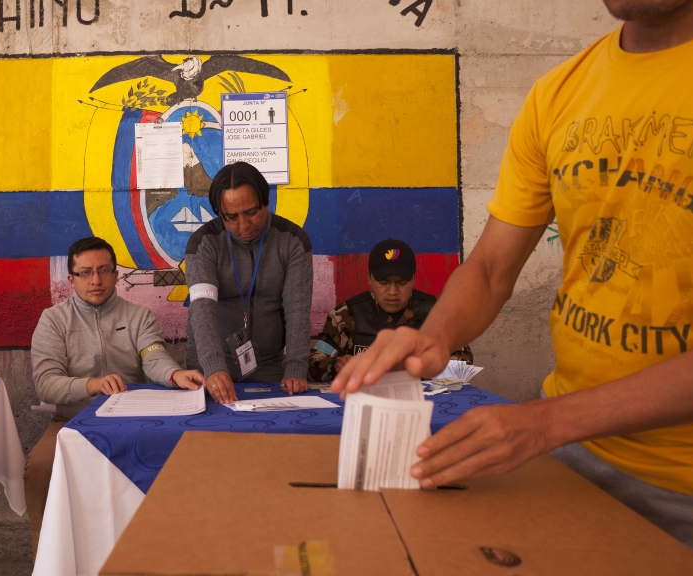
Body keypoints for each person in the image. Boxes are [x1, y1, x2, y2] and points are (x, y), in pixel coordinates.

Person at [332, 0, 693, 567]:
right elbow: (491, 266)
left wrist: (546, 422)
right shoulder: (559, 93)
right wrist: (435, 335)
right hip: (567, 460)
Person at [24, 236, 204, 556]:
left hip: (134, 419)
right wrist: (92, 385)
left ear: (116, 274)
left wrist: (174, 374)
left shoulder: (138, 316)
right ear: (71, 279)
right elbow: (47, 384)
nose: (96, 280)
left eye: (105, 270)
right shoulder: (53, 321)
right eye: (85, 272)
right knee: (40, 466)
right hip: (73, 419)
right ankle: (48, 558)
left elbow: (154, 356)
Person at [185, 161, 314, 404]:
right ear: (219, 213)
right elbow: (202, 310)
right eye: (231, 217)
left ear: (266, 201)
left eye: (252, 212)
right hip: (210, 362)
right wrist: (213, 366)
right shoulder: (203, 245)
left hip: (269, 362)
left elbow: (298, 311)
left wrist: (296, 368)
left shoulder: (293, 241)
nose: (244, 226)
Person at [308, 239, 472, 382]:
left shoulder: (435, 313)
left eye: (401, 283)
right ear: (369, 278)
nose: (393, 291)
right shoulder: (345, 315)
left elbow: (464, 362)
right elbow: (315, 362)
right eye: (384, 282)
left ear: (414, 279)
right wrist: (337, 365)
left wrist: (418, 366)